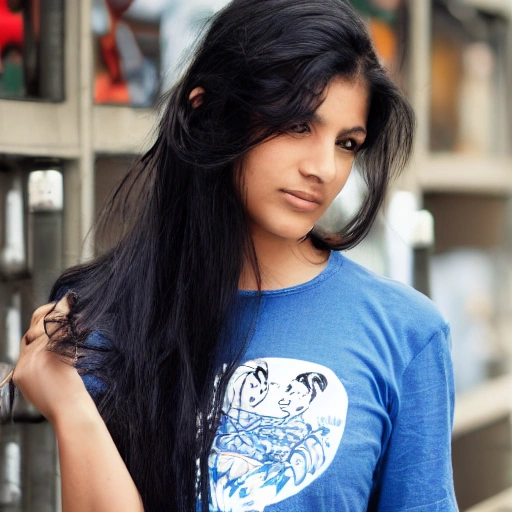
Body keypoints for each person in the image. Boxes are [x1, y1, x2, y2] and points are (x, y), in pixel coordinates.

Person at [9, 0, 457, 510]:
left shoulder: (406, 333)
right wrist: (69, 402)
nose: (325, 168)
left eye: (347, 142)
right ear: (207, 114)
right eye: (298, 125)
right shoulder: (105, 323)